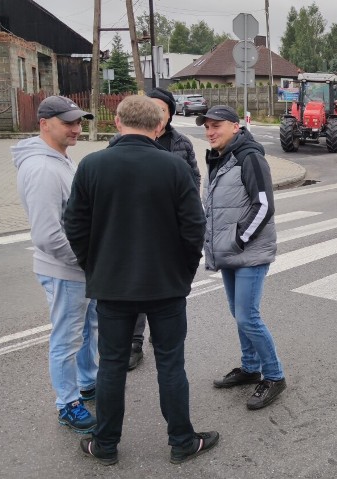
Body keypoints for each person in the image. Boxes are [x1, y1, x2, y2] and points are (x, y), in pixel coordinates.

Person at [64, 95, 218, 466]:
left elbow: (74, 225)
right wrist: (182, 270)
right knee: (170, 364)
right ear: (158, 126)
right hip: (166, 286)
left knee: (111, 365)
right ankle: (182, 441)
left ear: (117, 123)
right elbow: (194, 227)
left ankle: (105, 444)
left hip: (113, 286)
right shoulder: (174, 167)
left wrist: (94, 265)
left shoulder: (91, 165)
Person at [12, 96, 99, 434]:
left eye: (79, 121)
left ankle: (87, 383)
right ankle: (68, 404)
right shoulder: (43, 168)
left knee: (86, 329)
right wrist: (86, 262)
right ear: (44, 123)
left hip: (78, 269)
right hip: (66, 270)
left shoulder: (60, 159)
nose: (77, 128)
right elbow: (48, 235)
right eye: (68, 123)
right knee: (66, 339)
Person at [198, 105, 287, 411]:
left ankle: (274, 375)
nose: (210, 132)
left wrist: (238, 239)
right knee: (239, 314)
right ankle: (250, 368)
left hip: (247, 252)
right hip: (228, 251)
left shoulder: (250, 156)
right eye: (207, 127)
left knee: (248, 316)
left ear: (235, 127)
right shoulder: (218, 158)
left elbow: (264, 206)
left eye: (216, 126)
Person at [127, 87, 201, 371]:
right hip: (137, 229)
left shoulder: (181, 143)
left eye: (163, 109)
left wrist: (187, 215)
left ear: (170, 114)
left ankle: (161, 337)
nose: (158, 114)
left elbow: (194, 179)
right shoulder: (129, 140)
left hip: (170, 229)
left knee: (166, 288)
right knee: (138, 287)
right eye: (153, 108)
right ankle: (134, 341)